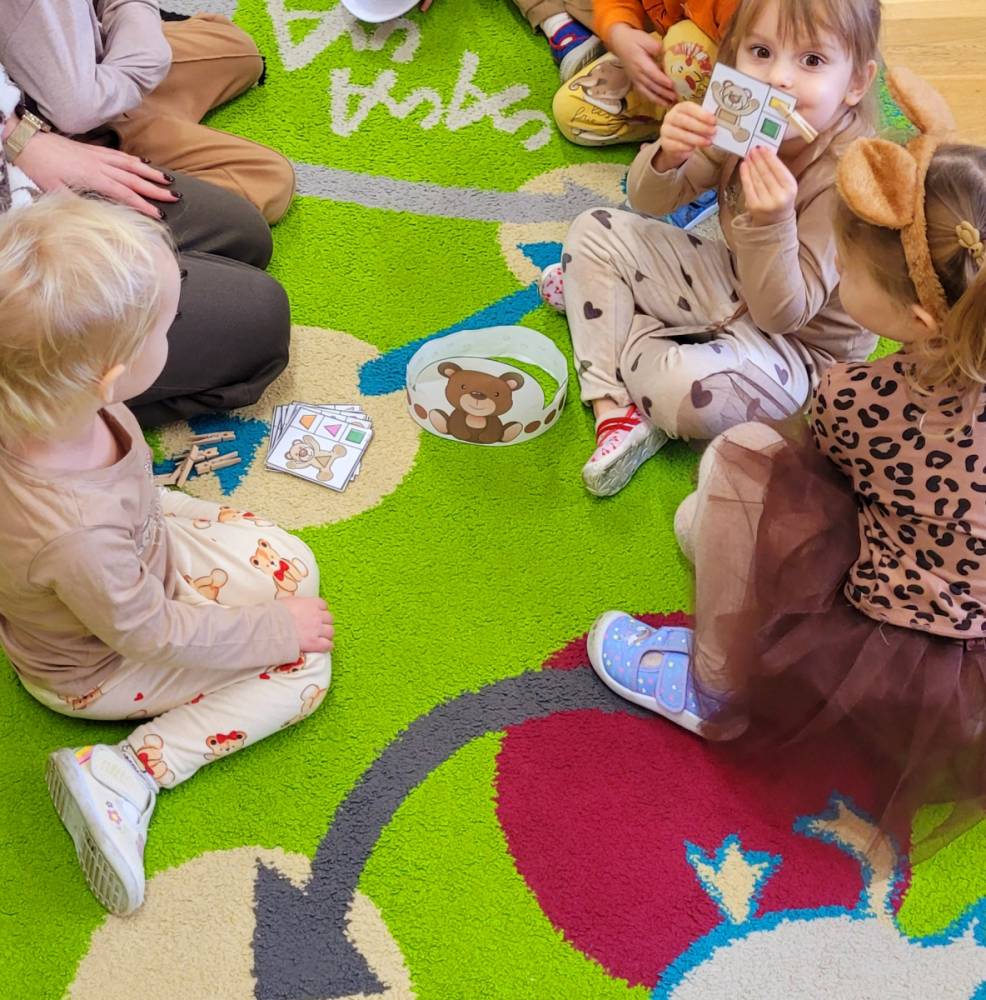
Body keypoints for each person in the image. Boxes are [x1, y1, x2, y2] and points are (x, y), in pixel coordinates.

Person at [587, 69, 986, 859]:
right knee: (712, 512)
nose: (836, 269)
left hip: (893, 677)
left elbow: (806, 488)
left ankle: (715, 686)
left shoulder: (858, 394)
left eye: (847, 268)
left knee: (739, 460)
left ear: (915, 318)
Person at [0, 192, 334, 914]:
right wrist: (274, 633)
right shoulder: (76, 533)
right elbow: (147, 633)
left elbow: (121, 510)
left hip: (134, 562)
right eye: (166, 327)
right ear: (112, 376)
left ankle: (212, 574)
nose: (175, 333)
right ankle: (127, 772)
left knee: (295, 566)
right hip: (99, 664)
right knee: (305, 671)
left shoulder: (53, 400)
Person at [545, 0, 880, 497]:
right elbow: (650, 202)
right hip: (733, 279)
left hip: (798, 350)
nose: (778, 78)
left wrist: (772, 223)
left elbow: (781, 314)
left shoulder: (847, 178)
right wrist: (670, 154)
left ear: (856, 82)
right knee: (591, 230)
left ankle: (613, 313)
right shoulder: (742, 116)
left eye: (812, 60)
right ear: (732, 53)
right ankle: (614, 408)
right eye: (761, 52)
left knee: (688, 392)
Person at [0, 53, 291, 428]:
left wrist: (19, 136)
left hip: (20, 198)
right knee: (259, 317)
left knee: (245, 236)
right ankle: (42, 411)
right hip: (20, 275)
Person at [0, 3, 295, 224]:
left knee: (239, 50)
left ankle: (134, 109)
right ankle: (76, 221)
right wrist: (19, 138)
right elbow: (76, 108)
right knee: (268, 179)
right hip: (39, 134)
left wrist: (130, 26)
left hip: (79, 76)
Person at [551, 0, 738, 146]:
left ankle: (704, 143)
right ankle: (675, 129)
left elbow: (750, 67)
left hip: (731, 83)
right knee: (571, 109)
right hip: (670, 65)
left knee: (683, 41)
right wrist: (619, 32)